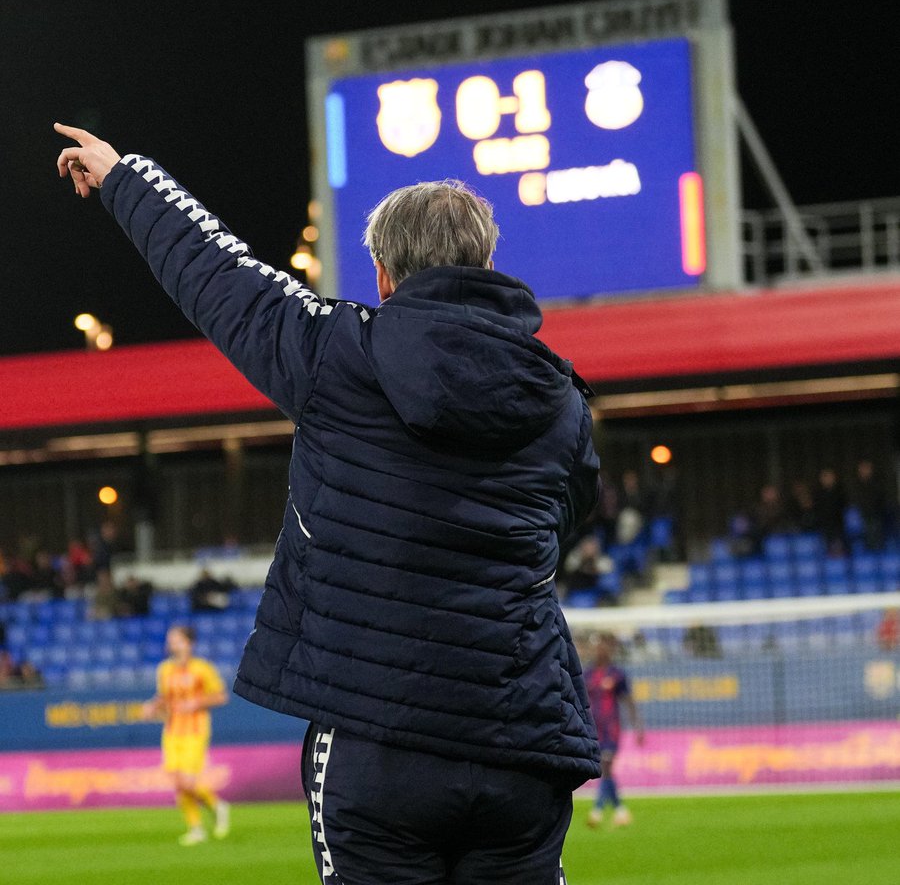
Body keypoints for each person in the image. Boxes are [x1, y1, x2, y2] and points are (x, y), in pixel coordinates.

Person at [55, 123, 601, 884]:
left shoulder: (334, 352)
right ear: (484, 261)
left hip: (376, 738)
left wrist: (124, 176)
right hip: (521, 741)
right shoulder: (562, 399)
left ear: (382, 274)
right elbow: (568, 517)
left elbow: (219, 274)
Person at [141, 624, 231, 845]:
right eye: (170, 639)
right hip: (172, 730)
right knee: (177, 782)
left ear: (189, 643)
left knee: (188, 782)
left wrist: (197, 702)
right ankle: (196, 828)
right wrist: (153, 706)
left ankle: (217, 805)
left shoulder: (202, 669)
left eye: (176, 639)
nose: (171, 643)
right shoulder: (164, 669)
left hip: (195, 730)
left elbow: (220, 696)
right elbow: (164, 698)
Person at [584, 632, 643, 828]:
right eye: (597, 646)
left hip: (611, 730)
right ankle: (620, 811)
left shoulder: (617, 674)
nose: (600, 650)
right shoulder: (588, 674)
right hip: (593, 731)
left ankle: (597, 811)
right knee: (604, 770)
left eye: (604, 646)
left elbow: (628, 701)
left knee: (605, 767)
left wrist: (638, 727)